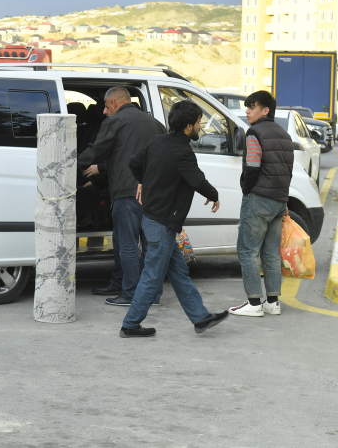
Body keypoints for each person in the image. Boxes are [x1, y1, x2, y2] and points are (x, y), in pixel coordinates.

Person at [120, 100, 229, 338]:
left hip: (156, 220)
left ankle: (200, 318)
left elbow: (134, 163)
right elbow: (197, 180)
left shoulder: (157, 142)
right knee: (151, 276)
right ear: (188, 126)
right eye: (200, 122)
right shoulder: (182, 152)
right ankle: (130, 324)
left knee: (179, 272)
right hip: (161, 224)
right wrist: (214, 195)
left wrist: (144, 181)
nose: (201, 127)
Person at [78, 87, 165, 306]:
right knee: (150, 247)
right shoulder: (155, 124)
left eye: (106, 106)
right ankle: (152, 295)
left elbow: (98, 152)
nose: (105, 112)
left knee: (126, 245)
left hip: (126, 194)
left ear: (115, 103)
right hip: (153, 194)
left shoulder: (115, 122)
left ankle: (129, 293)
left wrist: (68, 161)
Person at [228, 91, 294, 318]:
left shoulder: (254, 133)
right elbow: (288, 172)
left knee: (247, 250)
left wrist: (247, 190)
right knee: (271, 253)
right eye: (247, 107)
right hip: (279, 201)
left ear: (265, 110)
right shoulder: (284, 135)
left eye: (252, 107)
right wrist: (283, 199)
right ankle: (273, 302)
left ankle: (254, 303)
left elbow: (253, 167)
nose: (247, 111)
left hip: (258, 200)